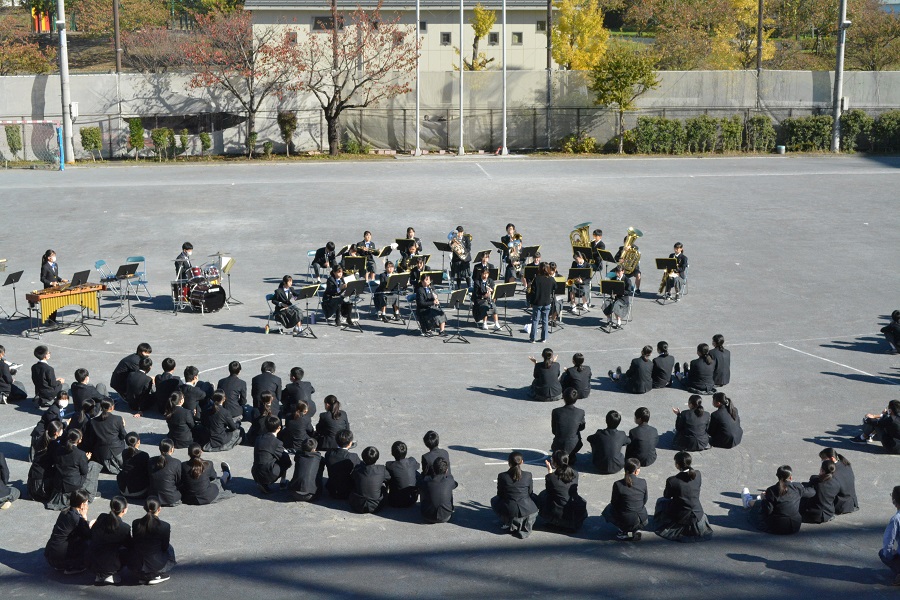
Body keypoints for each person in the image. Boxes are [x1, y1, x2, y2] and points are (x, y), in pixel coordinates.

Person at [654, 451, 713, 542]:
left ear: (677, 465)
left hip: (681, 514)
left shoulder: (672, 480)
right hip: (697, 512)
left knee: (661, 501)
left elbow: (667, 496)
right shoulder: (698, 474)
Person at [741, 465, 815, 535]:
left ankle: (748, 502)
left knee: (755, 512)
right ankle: (750, 501)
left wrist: (764, 498)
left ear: (777, 476)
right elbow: (812, 492)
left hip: (778, 527)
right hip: (795, 526)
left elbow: (767, 511)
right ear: (791, 478)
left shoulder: (772, 490)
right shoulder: (797, 487)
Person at [491, 451, 539, 539]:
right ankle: (524, 523)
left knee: (494, 500)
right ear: (522, 462)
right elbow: (530, 492)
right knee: (535, 497)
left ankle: (509, 522)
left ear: (509, 463)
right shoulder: (528, 475)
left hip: (510, 510)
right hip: (528, 509)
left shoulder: (502, 476)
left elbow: (500, 494)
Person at [130, 497, 176, 585]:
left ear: (144, 508)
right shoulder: (164, 526)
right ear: (159, 509)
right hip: (155, 565)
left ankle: (142, 576)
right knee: (170, 548)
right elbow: (165, 546)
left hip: (137, 566)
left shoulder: (136, 523)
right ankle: (156, 575)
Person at [537, 450, 587, 532]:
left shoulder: (551, 478)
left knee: (543, 495)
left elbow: (550, 492)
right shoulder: (575, 473)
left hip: (560, 512)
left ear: (555, 463)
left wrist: (550, 473)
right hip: (575, 509)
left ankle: (555, 521)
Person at [44, 488, 92, 574]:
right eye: (86, 502)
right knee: (87, 542)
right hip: (60, 557)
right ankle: (72, 567)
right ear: (82, 505)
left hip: (50, 553)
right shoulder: (76, 517)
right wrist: (84, 517)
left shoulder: (65, 512)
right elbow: (87, 534)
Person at [602, 458, 649, 541]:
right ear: (636, 471)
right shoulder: (643, 482)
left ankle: (623, 531)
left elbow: (614, 503)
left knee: (608, 509)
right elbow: (645, 500)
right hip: (642, 518)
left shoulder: (618, 484)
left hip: (626, 519)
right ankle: (636, 529)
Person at [88, 496, 131, 585]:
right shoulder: (124, 528)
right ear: (124, 510)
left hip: (91, 561)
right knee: (128, 551)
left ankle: (100, 575)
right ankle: (109, 574)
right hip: (109, 564)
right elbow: (130, 546)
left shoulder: (102, 517)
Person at [84, 398, 127, 474]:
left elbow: (91, 440)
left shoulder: (93, 421)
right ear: (112, 407)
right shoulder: (118, 419)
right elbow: (123, 436)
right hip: (116, 451)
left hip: (101, 453)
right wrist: (123, 426)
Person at [251, 417, 292, 494]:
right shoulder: (277, 442)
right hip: (268, 473)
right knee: (285, 460)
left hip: (255, 472)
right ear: (279, 428)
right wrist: (285, 452)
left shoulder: (258, 438)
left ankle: (262, 483)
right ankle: (282, 482)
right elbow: (286, 460)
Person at [28, 420, 64, 505]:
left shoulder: (42, 439)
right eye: (61, 429)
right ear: (56, 433)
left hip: (32, 482)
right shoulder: (54, 445)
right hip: (41, 486)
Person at [349, 446, 391, 514]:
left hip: (358, 505)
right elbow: (388, 478)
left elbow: (352, 477)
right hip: (377, 505)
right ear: (377, 458)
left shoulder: (358, 469)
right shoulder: (381, 469)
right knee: (382, 486)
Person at [587, 411, 630, 475]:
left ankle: (597, 455)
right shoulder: (621, 434)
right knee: (624, 443)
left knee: (594, 441)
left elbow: (589, 438)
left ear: (606, 421)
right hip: (617, 467)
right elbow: (629, 441)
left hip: (599, 466)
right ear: (619, 422)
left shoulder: (599, 434)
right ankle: (619, 457)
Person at [551, 388, 585, 465]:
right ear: (576, 399)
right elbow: (582, 427)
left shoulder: (556, 411)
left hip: (558, 444)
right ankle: (571, 455)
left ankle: (560, 456)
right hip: (573, 445)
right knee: (575, 430)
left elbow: (554, 431)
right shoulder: (580, 412)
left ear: (563, 397)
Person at [820, 448, 859, 515]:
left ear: (832, 459)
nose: (822, 462)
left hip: (841, 505)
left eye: (823, 460)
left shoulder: (833, 473)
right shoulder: (845, 464)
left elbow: (827, 491)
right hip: (852, 502)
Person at [324, 429, 361, 500]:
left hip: (332, 490)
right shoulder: (352, 457)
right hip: (348, 491)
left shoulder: (329, 453)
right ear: (350, 443)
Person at [418, 457, 457, 524]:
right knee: (449, 488)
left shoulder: (427, 481)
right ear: (446, 470)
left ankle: (425, 504)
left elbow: (419, 485)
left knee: (424, 489)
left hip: (427, 516)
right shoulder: (449, 480)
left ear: (433, 469)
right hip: (445, 516)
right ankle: (449, 507)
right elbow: (455, 484)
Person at [383, 441, 419, 508]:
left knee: (388, 475)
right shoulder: (412, 461)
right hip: (412, 499)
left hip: (395, 502)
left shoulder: (390, 465)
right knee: (415, 472)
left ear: (392, 453)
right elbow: (418, 466)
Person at [288, 438, 324, 502]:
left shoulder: (298, 455)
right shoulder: (319, 458)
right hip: (310, 495)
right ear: (314, 449)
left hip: (293, 493)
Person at [148, 439, 182, 507]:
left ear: (159, 449)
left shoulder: (151, 461)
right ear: (172, 449)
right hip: (171, 499)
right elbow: (179, 480)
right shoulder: (176, 462)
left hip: (154, 498)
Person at [117, 432, 151, 498]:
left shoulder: (124, 452)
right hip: (139, 491)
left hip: (123, 490)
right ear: (138, 442)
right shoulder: (143, 455)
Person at [528, 263, 554, 343]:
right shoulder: (551, 279)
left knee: (535, 320)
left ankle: (533, 338)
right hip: (547, 302)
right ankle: (544, 338)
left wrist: (531, 302)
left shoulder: (537, 279)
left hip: (537, 302)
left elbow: (533, 292)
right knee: (545, 320)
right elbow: (555, 287)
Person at [39, 249, 68, 322]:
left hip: (56, 288)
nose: (55, 257)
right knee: (51, 306)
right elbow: (42, 279)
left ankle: (53, 320)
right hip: (49, 288)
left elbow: (55, 276)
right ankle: (51, 321)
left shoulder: (56, 265)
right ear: (49, 258)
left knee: (55, 305)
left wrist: (61, 280)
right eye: (53, 256)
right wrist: (51, 283)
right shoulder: (45, 267)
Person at [602, 264, 634, 330]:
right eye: (616, 272)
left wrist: (620, 292)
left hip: (623, 299)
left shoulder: (627, 280)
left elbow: (628, 291)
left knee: (616, 305)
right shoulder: (613, 279)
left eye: (619, 272)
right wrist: (610, 292)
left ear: (623, 271)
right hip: (614, 297)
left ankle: (618, 322)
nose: (617, 274)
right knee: (606, 304)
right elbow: (610, 288)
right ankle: (609, 320)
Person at [880, 485, 900, 585]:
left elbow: (888, 542)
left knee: (883, 553)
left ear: (894, 501)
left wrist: (891, 554)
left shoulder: (896, 519)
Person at [472, 265, 500, 330]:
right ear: (481, 274)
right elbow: (476, 295)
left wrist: (492, 290)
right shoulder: (477, 282)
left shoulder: (490, 281)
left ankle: (496, 323)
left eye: (486, 274)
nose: (485, 276)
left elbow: (494, 290)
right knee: (485, 306)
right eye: (484, 274)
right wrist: (483, 296)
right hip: (480, 300)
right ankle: (484, 323)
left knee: (494, 307)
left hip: (488, 299)